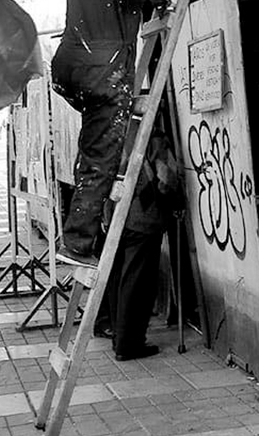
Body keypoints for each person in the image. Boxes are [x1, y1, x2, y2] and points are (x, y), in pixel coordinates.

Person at [51, 0, 170, 267]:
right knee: (103, 157)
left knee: (93, 148)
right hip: (106, 68)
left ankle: (77, 234)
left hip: (74, 67)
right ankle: (77, 243)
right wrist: (161, 0)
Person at [105, 125, 179, 360]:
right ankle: (129, 344)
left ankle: (119, 337)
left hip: (116, 214)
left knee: (121, 278)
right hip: (143, 216)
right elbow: (166, 178)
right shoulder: (151, 134)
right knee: (138, 283)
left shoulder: (110, 129)